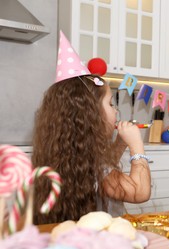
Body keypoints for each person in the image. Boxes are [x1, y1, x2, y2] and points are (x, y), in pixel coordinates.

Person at [32, 74, 151, 224]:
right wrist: (136, 145)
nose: (116, 111)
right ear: (92, 113)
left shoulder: (74, 153)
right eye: (110, 104)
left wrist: (120, 143)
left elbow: (105, 170)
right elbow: (140, 192)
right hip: (104, 237)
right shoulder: (95, 164)